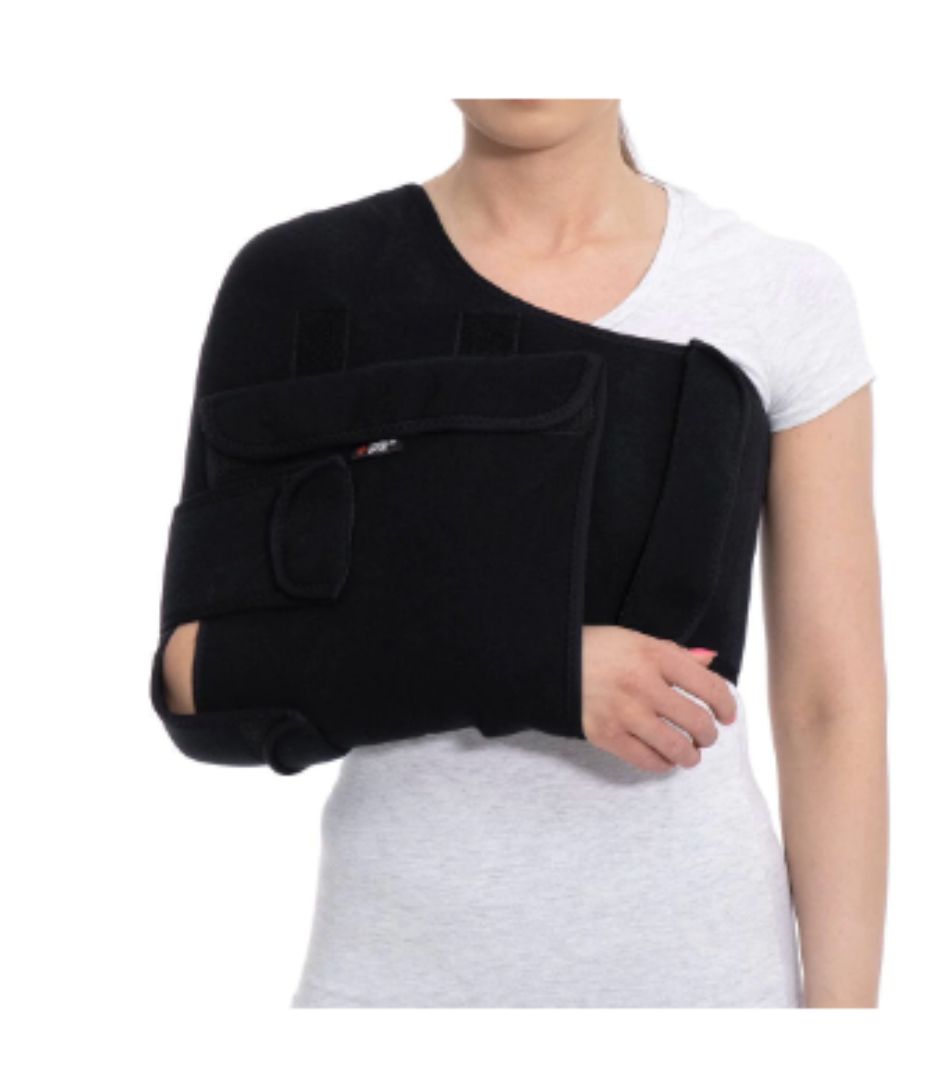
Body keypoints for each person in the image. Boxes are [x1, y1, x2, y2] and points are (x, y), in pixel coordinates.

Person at [162, 98, 888, 1008]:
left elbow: (830, 706)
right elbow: (198, 677)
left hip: (701, 980)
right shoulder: (304, 282)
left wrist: (844, 1031)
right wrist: (539, 667)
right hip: (394, 980)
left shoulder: (777, 290)